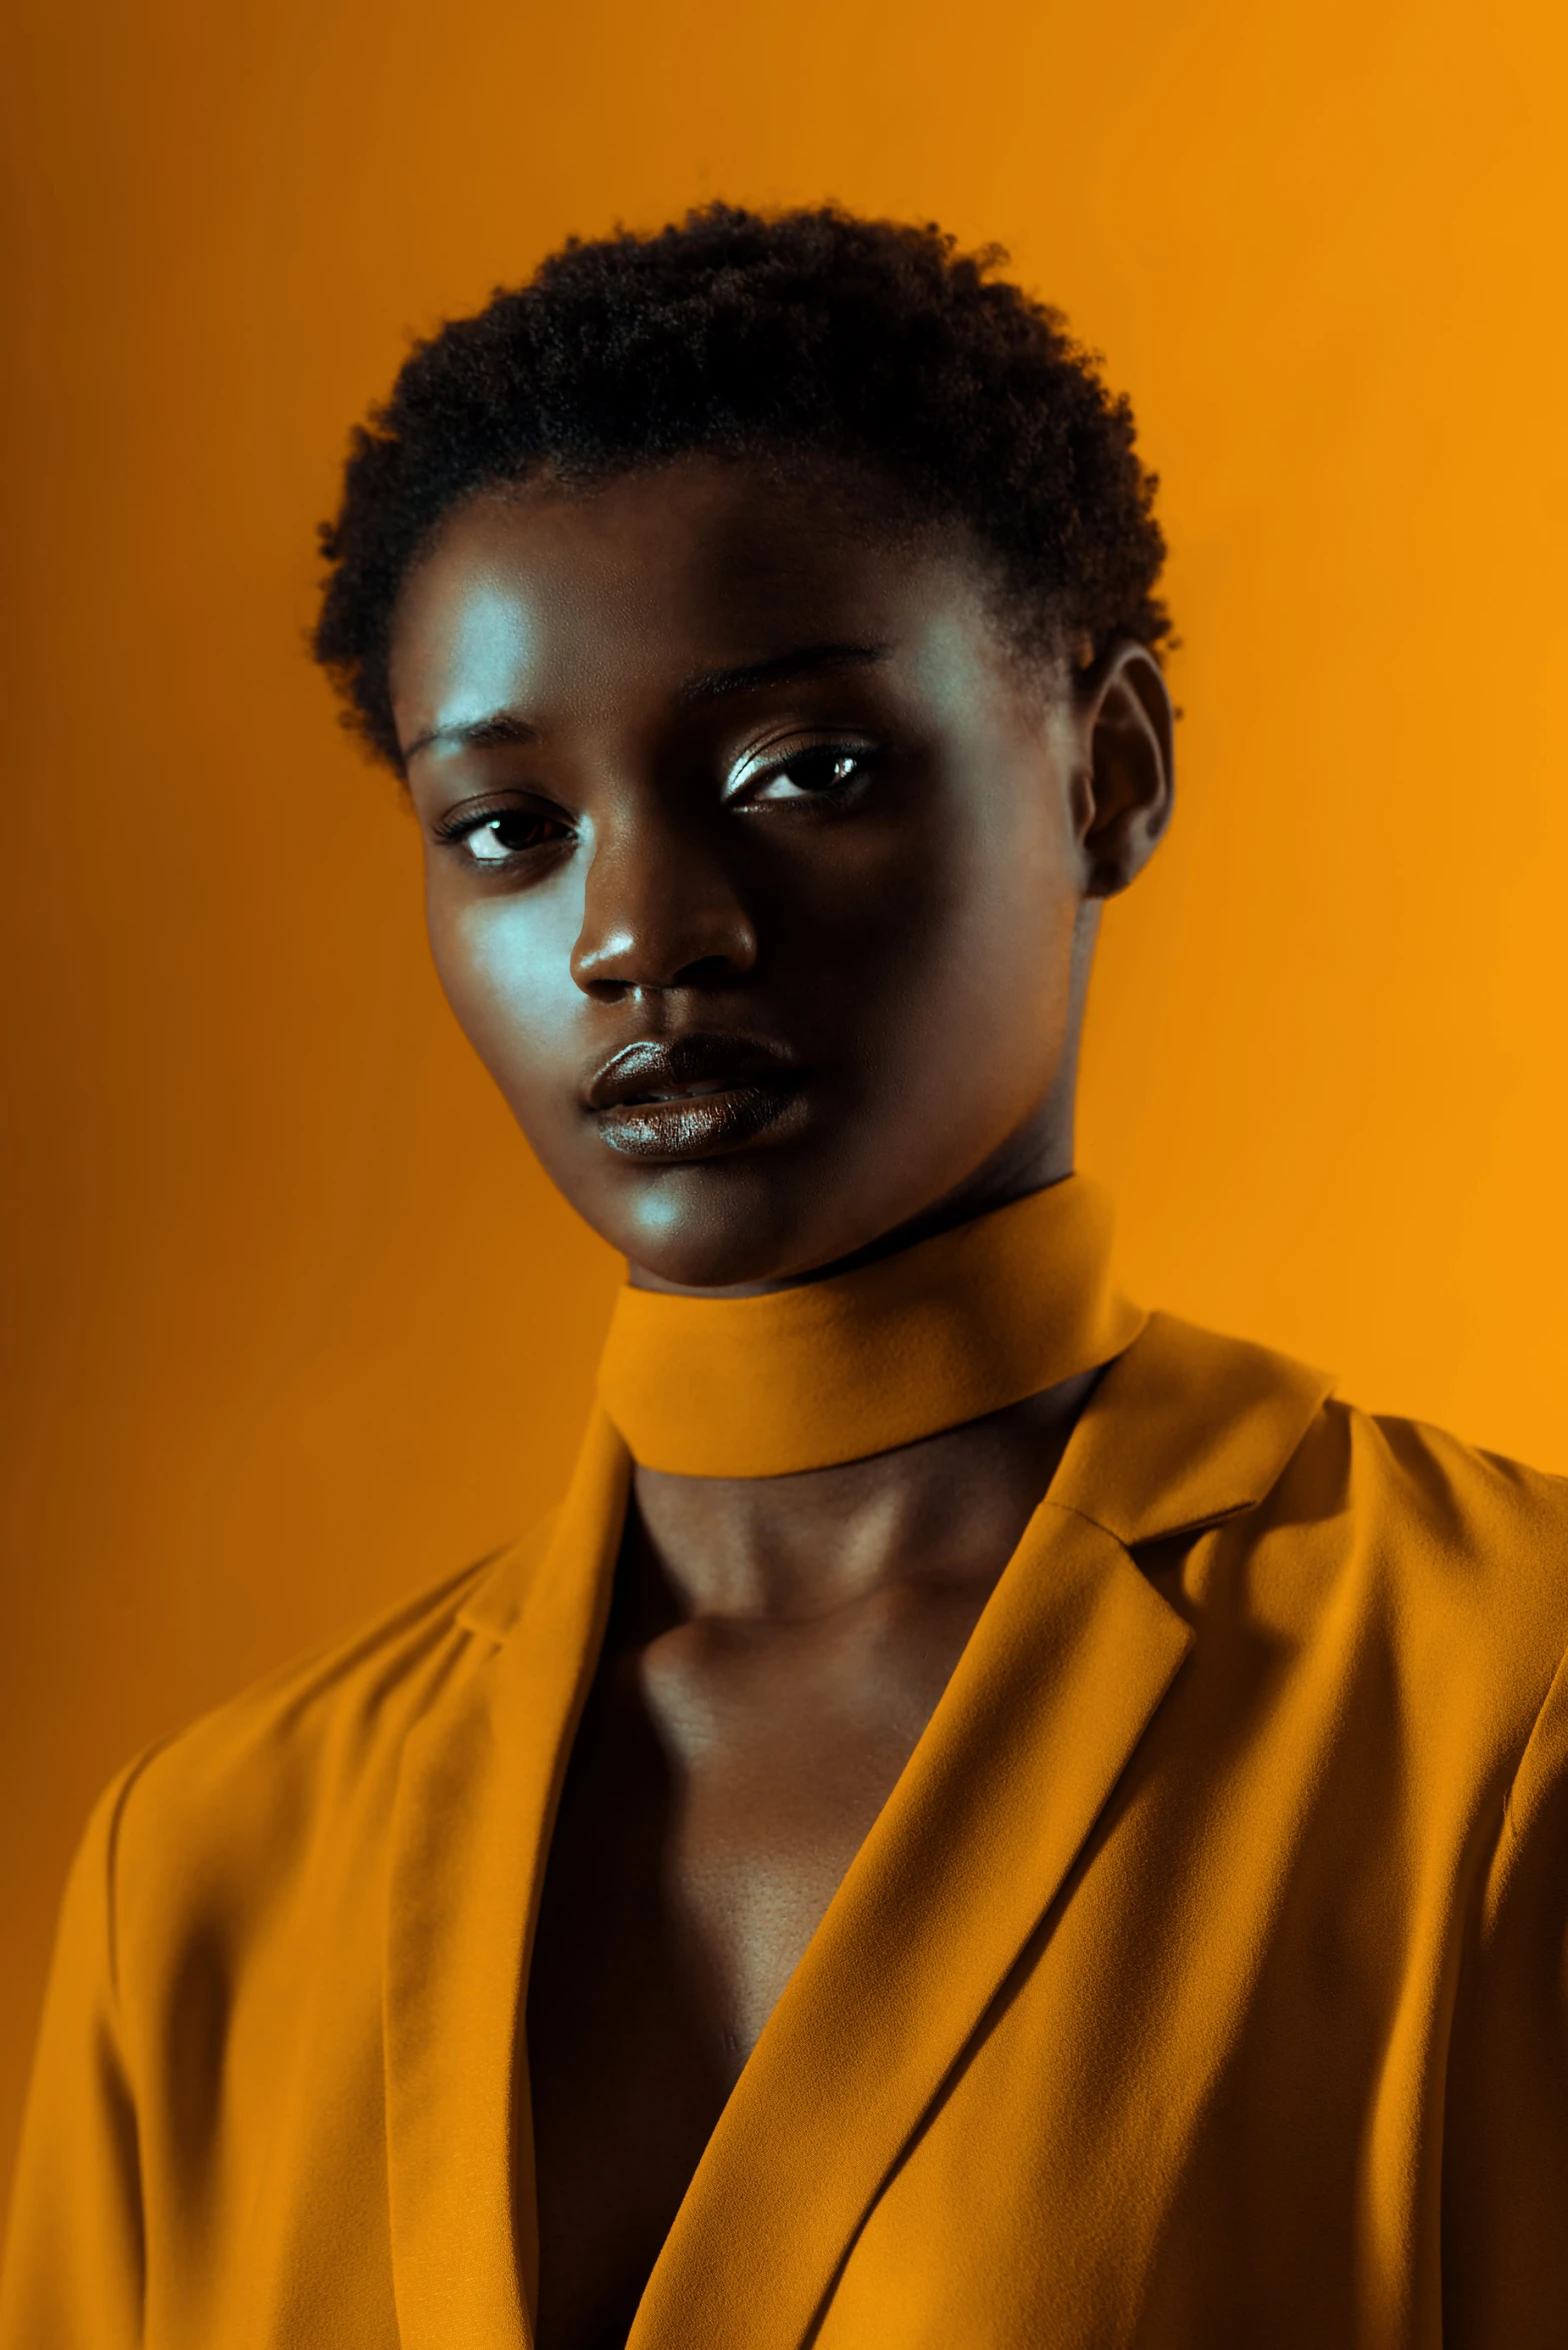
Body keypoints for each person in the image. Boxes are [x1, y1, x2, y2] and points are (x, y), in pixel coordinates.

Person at [2, 203, 1565, 2350]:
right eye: (506, 826)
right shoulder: (207, 1871)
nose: (644, 929)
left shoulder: (1501, 1704)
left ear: (1109, 764)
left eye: (798, 771)